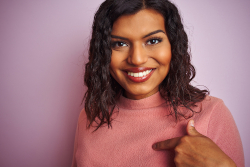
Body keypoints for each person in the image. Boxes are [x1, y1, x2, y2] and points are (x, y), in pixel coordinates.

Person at [71, 0, 244, 166]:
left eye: (153, 41)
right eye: (120, 43)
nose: (137, 59)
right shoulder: (89, 117)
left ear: (173, 45)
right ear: (103, 53)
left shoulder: (211, 114)